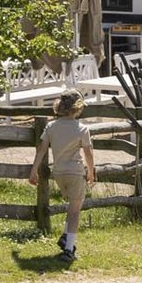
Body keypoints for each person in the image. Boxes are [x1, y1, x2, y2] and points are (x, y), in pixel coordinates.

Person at [28, 91, 94, 261]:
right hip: (75, 172)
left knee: (72, 207)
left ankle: (66, 237)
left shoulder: (51, 127)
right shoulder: (82, 129)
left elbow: (41, 149)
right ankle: (69, 249)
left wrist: (33, 170)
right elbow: (88, 153)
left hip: (58, 173)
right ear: (77, 107)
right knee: (74, 212)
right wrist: (91, 172)